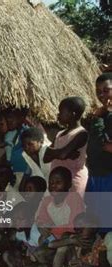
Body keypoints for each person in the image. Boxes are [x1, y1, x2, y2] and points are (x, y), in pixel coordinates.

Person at [43, 97, 88, 197]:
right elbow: (45, 157)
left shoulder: (81, 134)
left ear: (73, 114)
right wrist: (64, 153)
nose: (58, 115)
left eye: (61, 112)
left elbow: (62, 155)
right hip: (56, 181)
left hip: (73, 180)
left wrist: (56, 153)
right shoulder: (59, 134)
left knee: (72, 209)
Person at [86, 73, 112, 233]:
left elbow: (106, 146)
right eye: (98, 92)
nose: (102, 95)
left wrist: (98, 118)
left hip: (109, 176)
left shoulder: (102, 117)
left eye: (106, 90)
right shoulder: (104, 115)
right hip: (97, 176)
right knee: (99, 226)